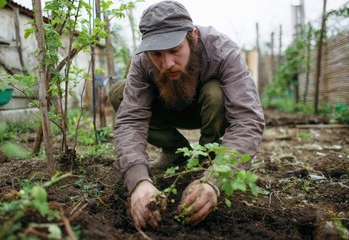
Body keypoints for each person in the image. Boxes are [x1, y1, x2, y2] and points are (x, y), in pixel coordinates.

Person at [109, 0, 265, 229]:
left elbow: (247, 118)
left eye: (174, 50)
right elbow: (131, 119)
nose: (167, 63)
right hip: (167, 107)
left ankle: (208, 160)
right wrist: (138, 181)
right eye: (157, 54)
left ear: (192, 35)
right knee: (120, 93)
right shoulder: (142, 60)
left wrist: (216, 180)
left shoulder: (222, 50)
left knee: (215, 92)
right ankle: (175, 152)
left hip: (210, 109)